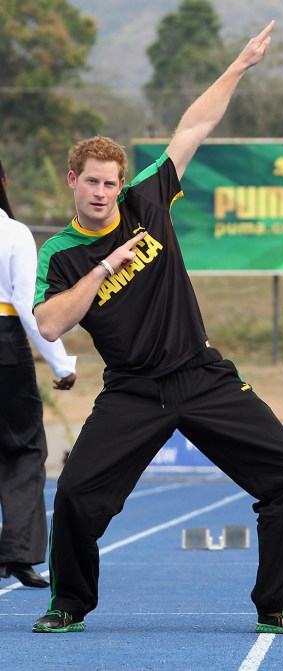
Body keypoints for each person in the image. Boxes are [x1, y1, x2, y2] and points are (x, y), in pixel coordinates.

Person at [30, 22, 283, 635]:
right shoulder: (58, 253)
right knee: (77, 498)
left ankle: (280, 604)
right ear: (73, 182)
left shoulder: (145, 202)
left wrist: (240, 65)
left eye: (111, 181)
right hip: (133, 391)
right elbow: (51, 324)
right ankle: (68, 604)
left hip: (201, 375)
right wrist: (107, 263)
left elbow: (193, 127)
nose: (104, 192)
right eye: (92, 181)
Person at [0, 159, 77, 589]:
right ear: (3, 183)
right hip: (4, 342)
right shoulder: (12, 232)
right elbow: (31, 309)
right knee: (24, 449)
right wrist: (62, 365)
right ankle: (17, 555)